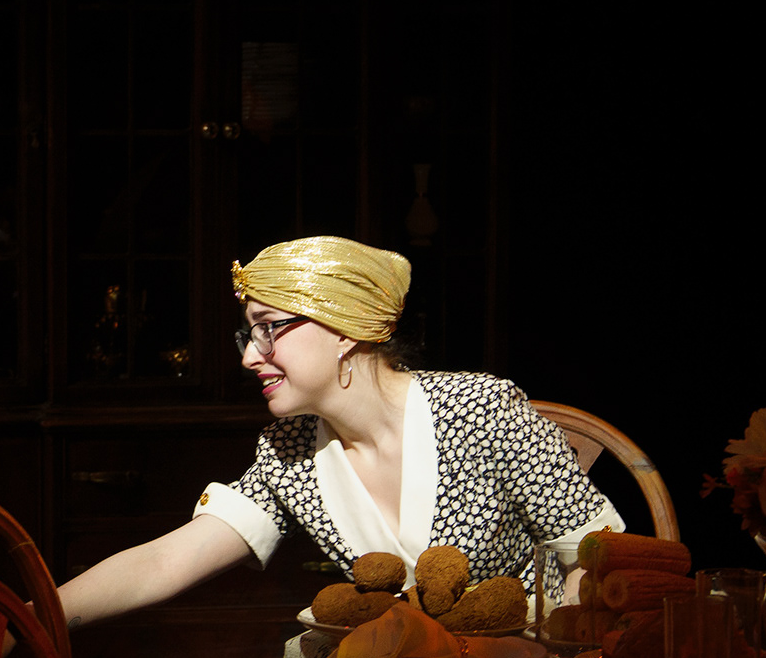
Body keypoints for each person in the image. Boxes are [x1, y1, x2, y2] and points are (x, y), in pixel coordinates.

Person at [56, 234, 622, 626]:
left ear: (343, 327)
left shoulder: (480, 410)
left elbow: (599, 558)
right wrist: (27, 621)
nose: (250, 357)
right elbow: (160, 564)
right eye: (248, 335)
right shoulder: (291, 453)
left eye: (268, 328)